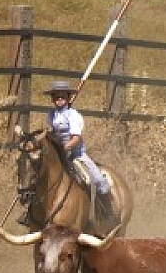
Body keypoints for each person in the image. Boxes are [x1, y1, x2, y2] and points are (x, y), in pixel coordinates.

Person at [42, 79, 116, 226]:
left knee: (96, 179)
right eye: (56, 97)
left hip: (76, 155)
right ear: (53, 99)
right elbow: (50, 132)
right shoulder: (51, 114)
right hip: (58, 156)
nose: (59, 99)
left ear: (68, 98)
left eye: (62, 96)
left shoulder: (74, 115)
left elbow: (76, 138)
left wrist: (65, 147)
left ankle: (107, 212)